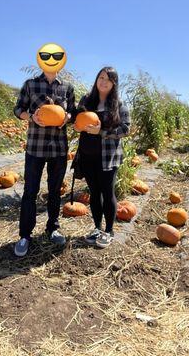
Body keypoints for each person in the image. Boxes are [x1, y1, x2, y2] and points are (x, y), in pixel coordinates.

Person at [13, 44, 75, 257]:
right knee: (30, 191)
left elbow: (73, 114)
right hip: (35, 147)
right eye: (47, 56)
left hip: (58, 147)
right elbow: (18, 109)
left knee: (55, 190)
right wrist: (31, 117)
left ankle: (53, 227)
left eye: (56, 56)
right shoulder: (30, 84)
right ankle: (25, 235)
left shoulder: (67, 87)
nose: (51, 59)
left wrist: (67, 117)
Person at [74, 67, 130, 248]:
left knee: (107, 192)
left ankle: (109, 230)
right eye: (101, 77)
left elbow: (125, 129)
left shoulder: (119, 104)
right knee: (94, 193)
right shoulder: (86, 100)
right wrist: (76, 125)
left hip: (108, 157)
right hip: (87, 155)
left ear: (114, 83)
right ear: (96, 79)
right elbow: (76, 119)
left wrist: (102, 132)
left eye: (108, 79)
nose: (103, 81)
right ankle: (97, 228)